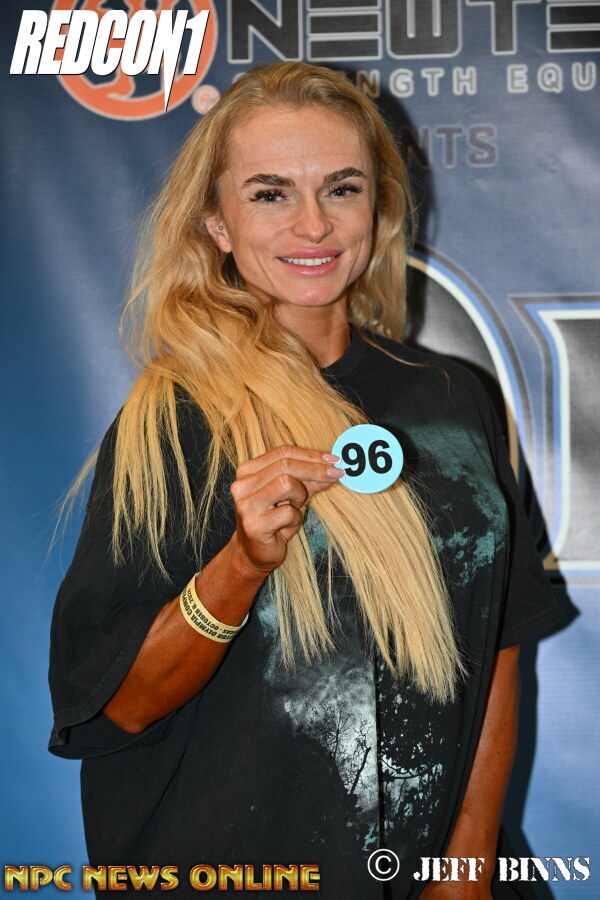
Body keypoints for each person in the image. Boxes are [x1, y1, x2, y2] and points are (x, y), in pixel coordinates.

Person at [49, 62, 561, 898]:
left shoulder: (451, 399)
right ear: (215, 221)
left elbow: (498, 638)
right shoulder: (174, 422)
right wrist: (242, 564)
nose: (314, 224)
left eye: (342, 188)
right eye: (270, 193)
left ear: (378, 208)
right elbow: (116, 706)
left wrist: (464, 871)